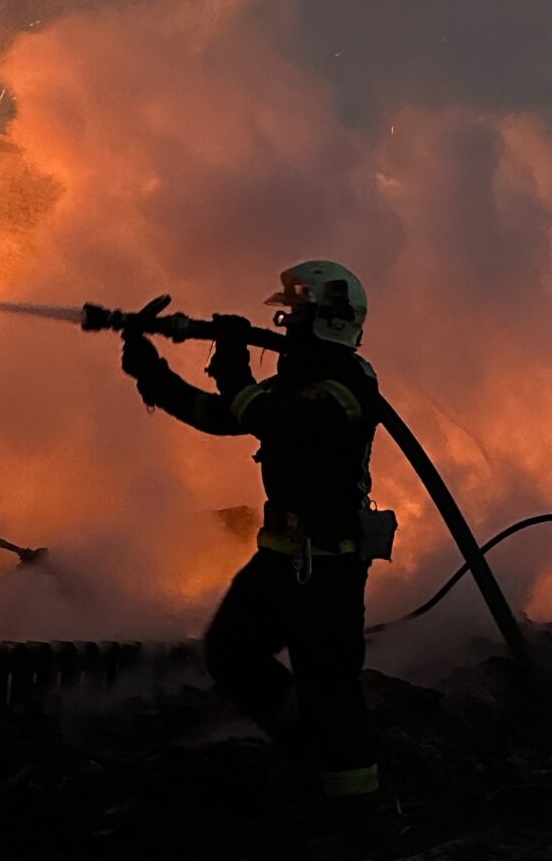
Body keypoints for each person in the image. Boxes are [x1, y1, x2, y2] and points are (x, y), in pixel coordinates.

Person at [119, 260, 386, 803]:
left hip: (328, 565)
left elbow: (267, 417)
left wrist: (233, 359)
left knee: (328, 688)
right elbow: (223, 416)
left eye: (295, 318)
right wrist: (152, 373)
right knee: (231, 653)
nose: (284, 327)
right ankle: (306, 749)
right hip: (282, 560)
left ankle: (356, 811)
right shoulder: (298, 383)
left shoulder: (348, 387)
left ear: (327, 321)